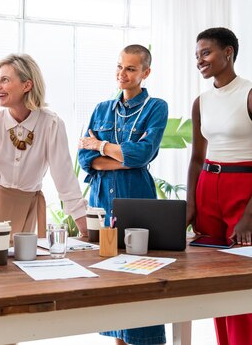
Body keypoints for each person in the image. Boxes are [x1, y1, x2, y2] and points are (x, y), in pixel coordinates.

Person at [187, 27, 252, 345]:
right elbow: (197, 159)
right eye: (197, 55)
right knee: (217, 286)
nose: (200, 60)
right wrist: (191, 205)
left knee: (242, 290)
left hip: (245, 192)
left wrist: (250, 214)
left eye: (206, 53)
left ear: (228, 52)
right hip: (207, 189)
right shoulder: (201, 102)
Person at [78, 44, 168, 345]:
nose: (122, 73)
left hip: (138, 200)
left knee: (141, 274)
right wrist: (118, 158)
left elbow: (142, 155)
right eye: (119, 66)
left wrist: (101, 147)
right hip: (101, 202)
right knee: (109, 275)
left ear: (145, 72)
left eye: (130, 68)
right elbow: (82, 157)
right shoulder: (101, 109)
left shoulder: (156, 107)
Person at [0, 53, 87, 241]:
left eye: (5, 80)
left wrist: (85, 228)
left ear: (27, 85)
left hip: (29, 209)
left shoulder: (51, 124)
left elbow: (64, 177)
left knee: (26, 267)